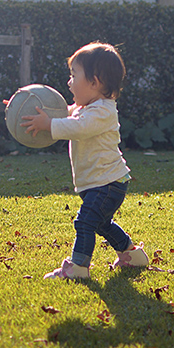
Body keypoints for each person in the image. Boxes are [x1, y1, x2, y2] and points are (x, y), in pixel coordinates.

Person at [21, 42, 149, 279]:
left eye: (73, 75)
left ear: (94, 82)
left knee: (85, 223)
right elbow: (62, 113)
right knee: (101, 224)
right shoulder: (84, 107)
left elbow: (79, 127)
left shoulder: (102, 111)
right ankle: (132, 255)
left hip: (108, 183)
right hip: (98, 182)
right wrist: (24, 108)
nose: (69, 82)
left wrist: (49, 125)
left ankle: (78, 267)